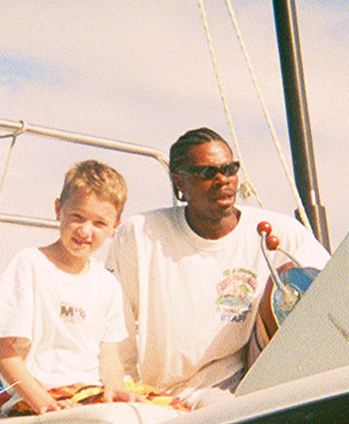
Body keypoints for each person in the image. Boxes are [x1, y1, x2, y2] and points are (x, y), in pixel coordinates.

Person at [107, 128, 329, 407]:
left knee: (291, 276)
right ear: (179, 183)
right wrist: (129, 396)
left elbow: (332, 291)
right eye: (207, 173)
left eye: (229, 168)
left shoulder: (281, 233)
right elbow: (114, 328)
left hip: (257, 382)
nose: (222, 179)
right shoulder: (139, 235)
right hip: (175, 396)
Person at [0, 160, 135, 414]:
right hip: (40, 394)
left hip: (91, 393)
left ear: (115, 226)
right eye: (77, 217)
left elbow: (108, 352)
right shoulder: (30, 264)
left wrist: (116, 387)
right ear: (58, 209)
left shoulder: (107, 283)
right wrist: (42, 401)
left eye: (99, 223)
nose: (86, 231)